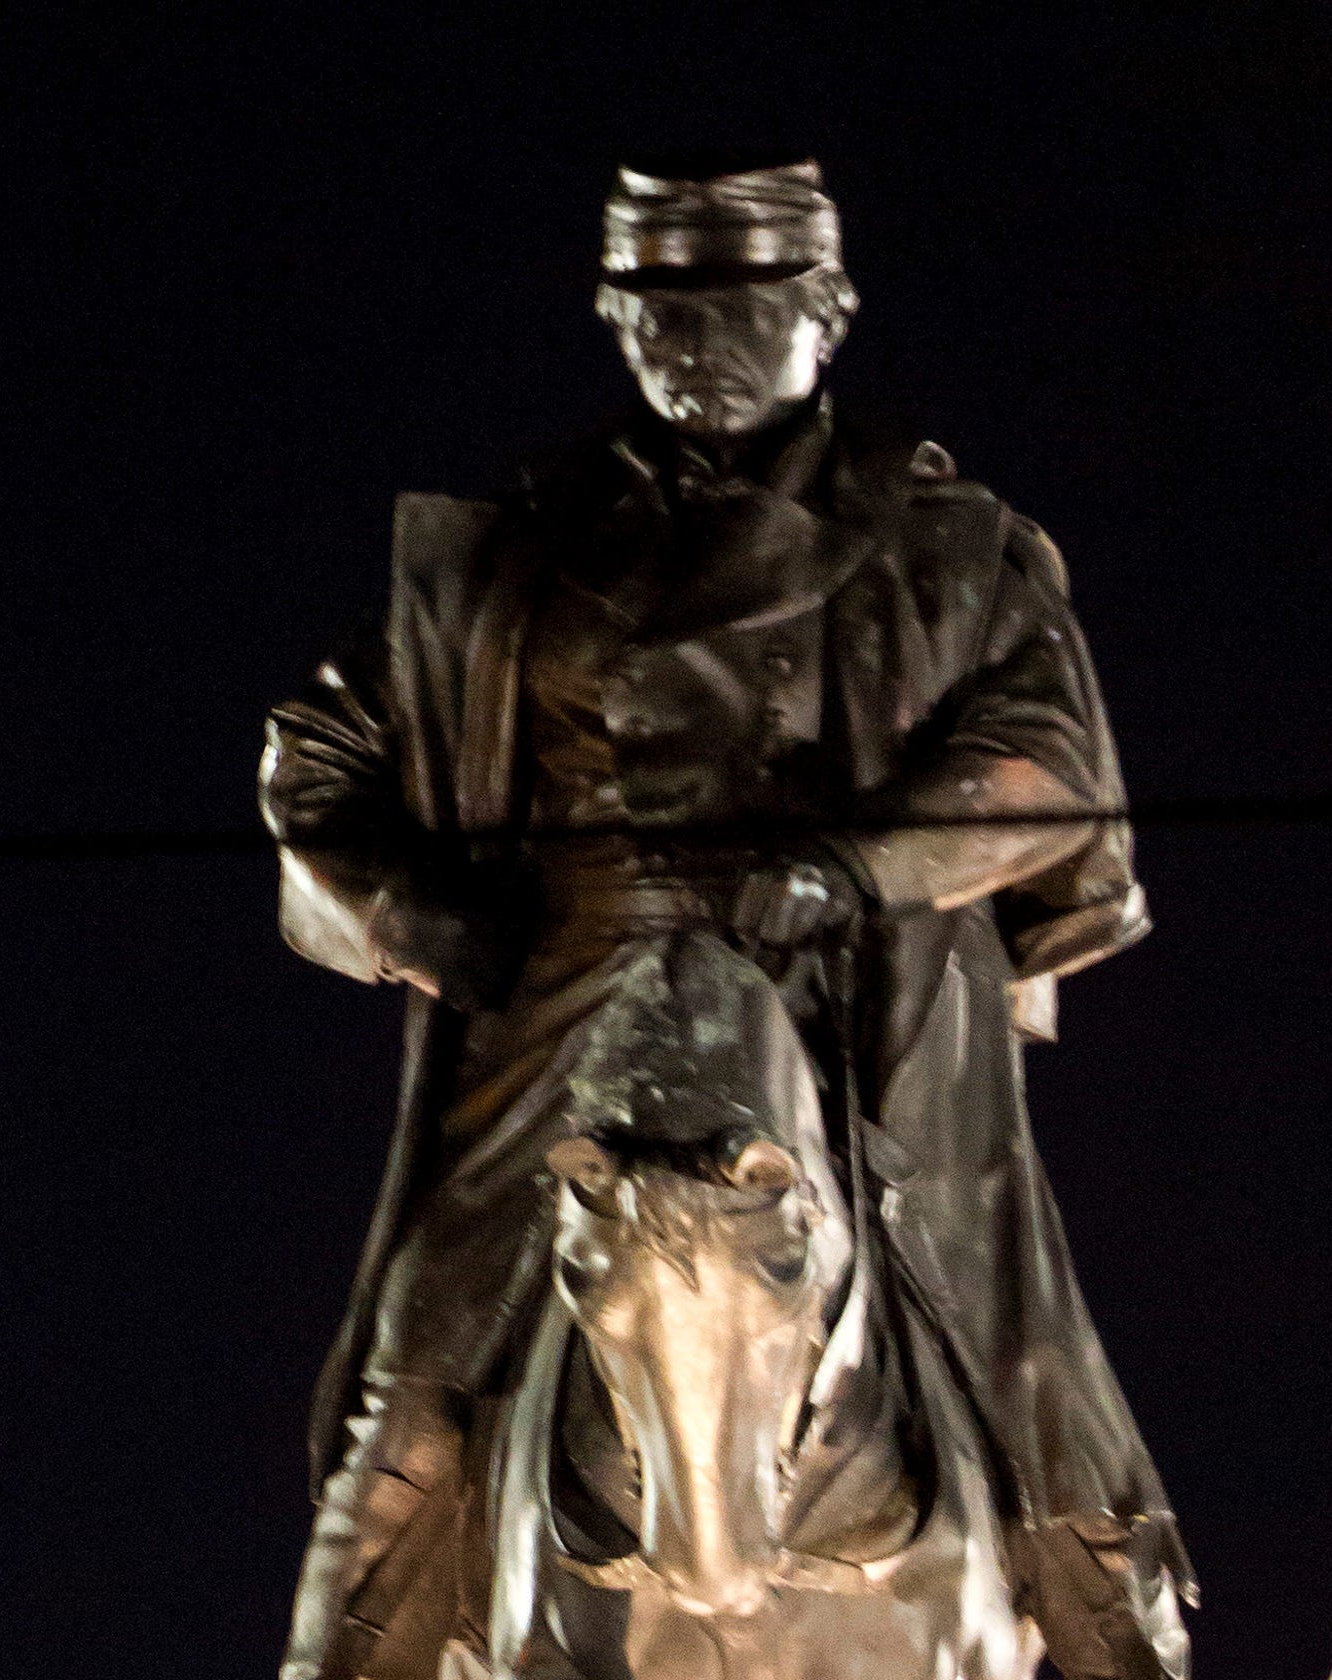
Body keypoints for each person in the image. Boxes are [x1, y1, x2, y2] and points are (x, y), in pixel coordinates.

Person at [260, 153, 1189, 1680]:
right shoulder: (512, 552)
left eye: (741, 310)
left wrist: (862, 866)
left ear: (827, 309)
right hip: (571, 971)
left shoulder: (948, 542)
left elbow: (1048, 758)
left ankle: (1094, 1603)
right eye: (661, 314)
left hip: (858, 962)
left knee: (1007, 1330)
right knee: (426, 1360)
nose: (698, 347)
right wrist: (417, 914)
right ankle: (361, 1637)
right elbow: (320, 755)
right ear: (615, 320)